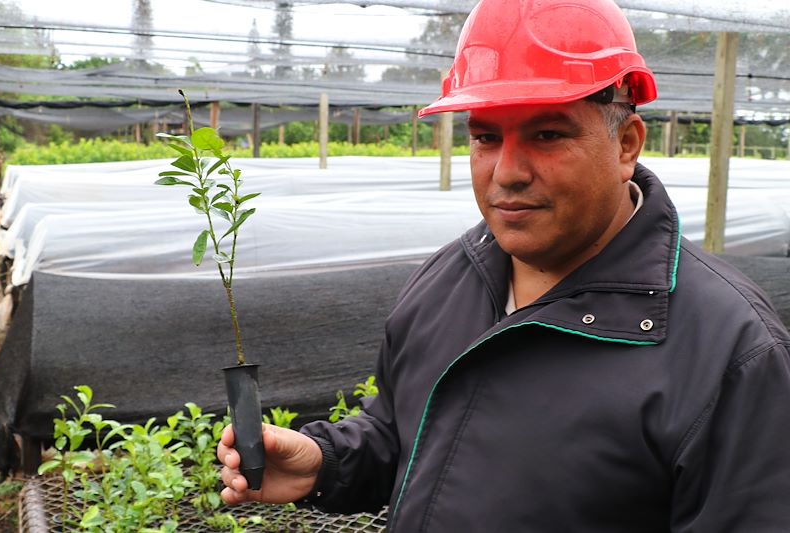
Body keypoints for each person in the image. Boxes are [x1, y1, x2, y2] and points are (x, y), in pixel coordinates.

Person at [218, 0, 790, 530]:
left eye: (548, 134)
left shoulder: (730, 353)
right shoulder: (449, 278)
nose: (508, 172)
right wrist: (327, 461)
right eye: (486, 137)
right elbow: (398, 431)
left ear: (626, 145)